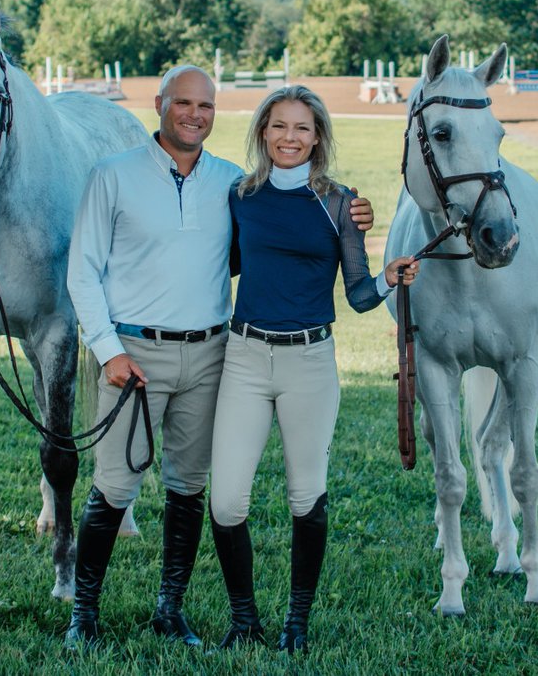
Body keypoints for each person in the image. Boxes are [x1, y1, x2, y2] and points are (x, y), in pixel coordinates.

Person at [64, 67, 375, 650]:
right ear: (159, 104)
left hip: (214, 354)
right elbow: (82, 271)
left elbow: (281, 232)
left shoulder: (235, 185)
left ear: (216, 113)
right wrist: (108, 351)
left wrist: (354, 220)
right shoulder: (112, 176)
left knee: (189, 487)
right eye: (182, 103)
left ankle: (169, 608)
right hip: (132, 356)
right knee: (113, 486)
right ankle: (83, 614)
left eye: (205, 106)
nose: (193, 114)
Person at [207, 85, 418, 654]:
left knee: (307, 495)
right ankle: (244, 620)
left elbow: (357, 294)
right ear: (262, 132)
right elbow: (219, 266)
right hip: (245, 357)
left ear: (318, 136)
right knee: (226, 501)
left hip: (309, 362)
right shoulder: (240, 197)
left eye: (302, 128)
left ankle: (295, 624)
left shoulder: (339, 204)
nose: (289, 138)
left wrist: (389, 276)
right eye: (278, 126)